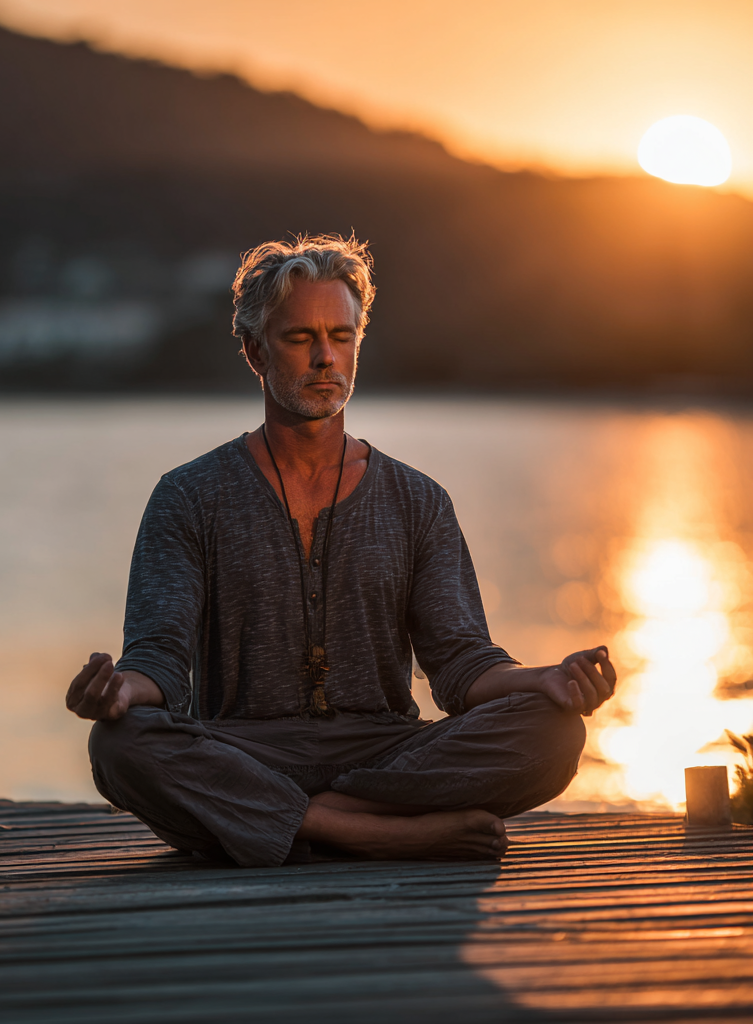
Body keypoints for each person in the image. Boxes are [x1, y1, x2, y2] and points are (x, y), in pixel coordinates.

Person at [66, 234, 616, 868]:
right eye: (300, 338)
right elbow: (158, 663)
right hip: (243, 751)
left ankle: (288, 823)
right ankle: (383, 834)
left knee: (551, 732)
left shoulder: (418, 501)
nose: (325, 357)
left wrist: (544, 679)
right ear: (254, 351)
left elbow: (462, 666)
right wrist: (116, 696)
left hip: (384, 754)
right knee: (120, 745)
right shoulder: (187, 497)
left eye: (342, 337)